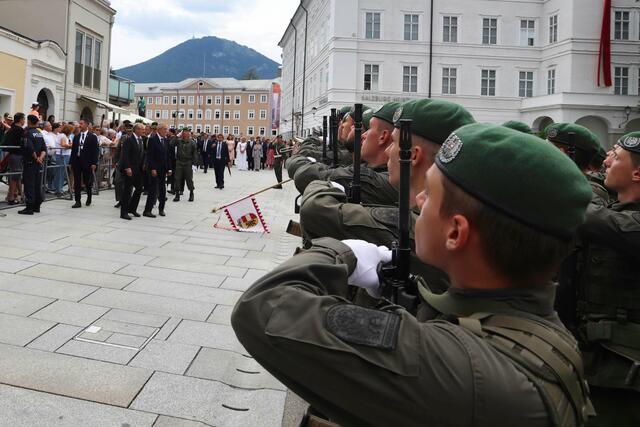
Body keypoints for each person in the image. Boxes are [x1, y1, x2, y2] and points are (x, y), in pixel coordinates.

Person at [231, 123, 595, 427]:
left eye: (431, 196)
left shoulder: (467, 369)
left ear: (456, 232)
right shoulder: (536, 332)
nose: (418, 203)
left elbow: (261, 307)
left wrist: (342, 254)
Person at [299, 99, 475, 293]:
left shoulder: (427, 230)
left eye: (395, 142)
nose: (389, 150)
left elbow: (315, 207)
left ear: (413, 155)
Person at [556, 131, 640, 426]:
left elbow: (590, 217)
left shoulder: (621, 221)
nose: (605, 160)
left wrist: (566, 178)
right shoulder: (612, 211)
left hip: (623, 371)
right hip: (595, 361)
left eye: (616, 157)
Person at [288, 103, 400, 206]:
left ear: (383, 137)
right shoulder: (366, 167)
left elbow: (304, 173)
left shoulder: (384, 181)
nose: (341, 126)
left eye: (356, 126)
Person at [19, 115, 46, 215]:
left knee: (29, 184)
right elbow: (44, 148)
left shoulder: (27, 133)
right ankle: (37, 206)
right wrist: (40, 158)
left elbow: (30, 148)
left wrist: (36, 158)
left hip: (30, 162)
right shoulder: (39, 133)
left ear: (29, 121)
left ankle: (29, 207)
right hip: (38, 163)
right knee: (37, 184)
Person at [143, 123, 171, 217]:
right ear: (159, 130)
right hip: (155, 170)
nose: (166, 131)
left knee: (163, 190)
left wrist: (169, 168)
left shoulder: (166, 140)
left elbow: (168, 156)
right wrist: (153, 168)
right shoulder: (152, 140)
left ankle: (161, 209)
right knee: (153, 190)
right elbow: (150, 156)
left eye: (166, 129)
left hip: (163, 170)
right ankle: (147, 210)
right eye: (164, 129)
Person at [70, 119, 99, 208]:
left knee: (87, 181)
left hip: (87, 162)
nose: (80, 125)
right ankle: (77, 201)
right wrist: (71, 162)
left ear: (86, 125)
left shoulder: (92, 137)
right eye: (79, 123)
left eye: (81, 124)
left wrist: (94, 163)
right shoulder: (76, 136)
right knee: (77, 182)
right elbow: (73, 150)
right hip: (77, 162)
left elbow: (95, 151)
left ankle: (89, 196)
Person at [119, 123, 145, 219]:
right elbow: (125, 155)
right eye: (142, 129)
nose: (144, 131)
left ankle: (132, 209)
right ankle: (124, 212)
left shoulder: (140, 140)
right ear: (137, 130)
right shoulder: (129, 140)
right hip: (129, 169)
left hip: (137, 170)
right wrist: (127, 168)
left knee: (139, 188)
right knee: (127, 190)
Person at [3, 113, 25, 205]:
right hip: (16, 155)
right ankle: (11, 197)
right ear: (20, 120)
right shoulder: (19, 130)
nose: (24, 121)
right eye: (23, 119)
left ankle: (17, 195)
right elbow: (23, 144)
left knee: (16, 176)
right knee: (15, 176)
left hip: (12, 155)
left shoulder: (11, 129)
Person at [172, 128, 197, 202]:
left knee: (189, 179)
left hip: (188, 162)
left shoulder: (192, 143)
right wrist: (177, 136)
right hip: (179, 162)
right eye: (183, 133)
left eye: (186, 133)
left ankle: (191, 193)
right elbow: (171, 143)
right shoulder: (179, 141)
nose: (185, 134)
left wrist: (194, 164)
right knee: (177, 178)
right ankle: (177, 194)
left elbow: (195, 154)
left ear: (189, 134)